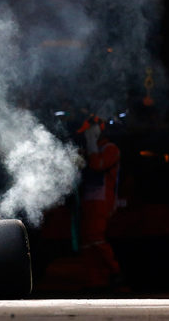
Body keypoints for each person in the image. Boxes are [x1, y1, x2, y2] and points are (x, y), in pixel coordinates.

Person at [77, 115, 121, 287]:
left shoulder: (111, 149)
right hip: (89, 199)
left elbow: (97, 165)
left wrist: (91, 143)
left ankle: (115, 271)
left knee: (95, 237)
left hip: (102, 200)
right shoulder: (91, 148)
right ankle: (95, 281)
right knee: (87, 242)